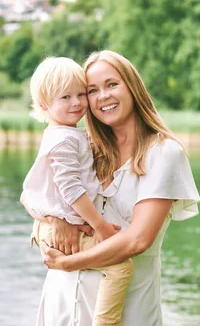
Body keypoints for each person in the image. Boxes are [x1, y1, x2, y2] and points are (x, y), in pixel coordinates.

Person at [24, 50, 200, 325]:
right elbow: (30, 194)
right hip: (62, 305)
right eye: (92, 90)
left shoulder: (164, 154)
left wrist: (69, 263)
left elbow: (138, 240)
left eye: (112, 84)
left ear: (132, 87)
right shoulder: (85, 149)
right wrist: (53, 218)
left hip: (128, 313)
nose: (102, 96)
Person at [20, 56, 135, 326]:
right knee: (120, 267)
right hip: (60, 224)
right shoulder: (63, 140)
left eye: (81, 94)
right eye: (65, 97)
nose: (77, 102)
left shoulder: (67, 134)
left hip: (56, 222)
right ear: (44, 105)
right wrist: (101, 226)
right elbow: (71, 190)